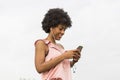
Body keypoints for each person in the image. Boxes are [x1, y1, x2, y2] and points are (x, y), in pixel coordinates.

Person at [34, 8, 81, 80]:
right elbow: (39, 68)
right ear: (51, 27)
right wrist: (64, 56)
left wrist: (73, 61)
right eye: (60, 29)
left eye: (64, 29)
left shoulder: (60, 47)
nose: (63, 32)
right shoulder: (42, 44)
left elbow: (62, 66)